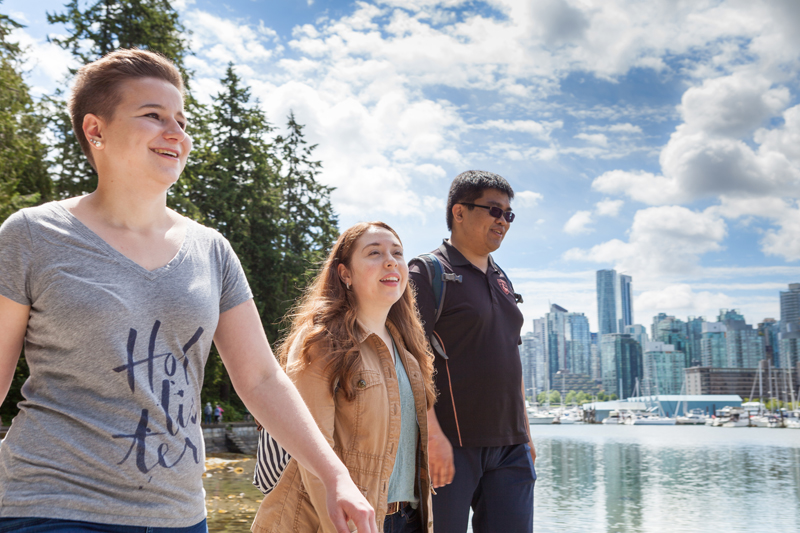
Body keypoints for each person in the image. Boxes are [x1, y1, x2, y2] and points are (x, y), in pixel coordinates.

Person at [0, 49, 376, 533]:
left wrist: (334, 474)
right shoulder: (31, 235)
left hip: (179, 516)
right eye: (153, 116)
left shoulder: (211, 250)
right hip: (51, 506)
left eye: (180, 119)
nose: (176, 133)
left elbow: (261, 379)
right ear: (96, 130)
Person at [252, 222, 437, 533]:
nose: (390, 260)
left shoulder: (410, 355)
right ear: (345, 274)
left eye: (397, 253)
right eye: (374, 253)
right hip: (334, 524)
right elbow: (312, 449)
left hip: (404, 520)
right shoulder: (322, 342)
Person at [409, 170, 536, 533]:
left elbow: (512, 360)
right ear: (459, 212)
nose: (503, 221)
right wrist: (432, 437)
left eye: (509, 214)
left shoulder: (502, 279)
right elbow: (410, 358)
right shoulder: (427, 271)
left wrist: (526, 436)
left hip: (512, 449)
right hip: (451, 446)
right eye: (494, 210)